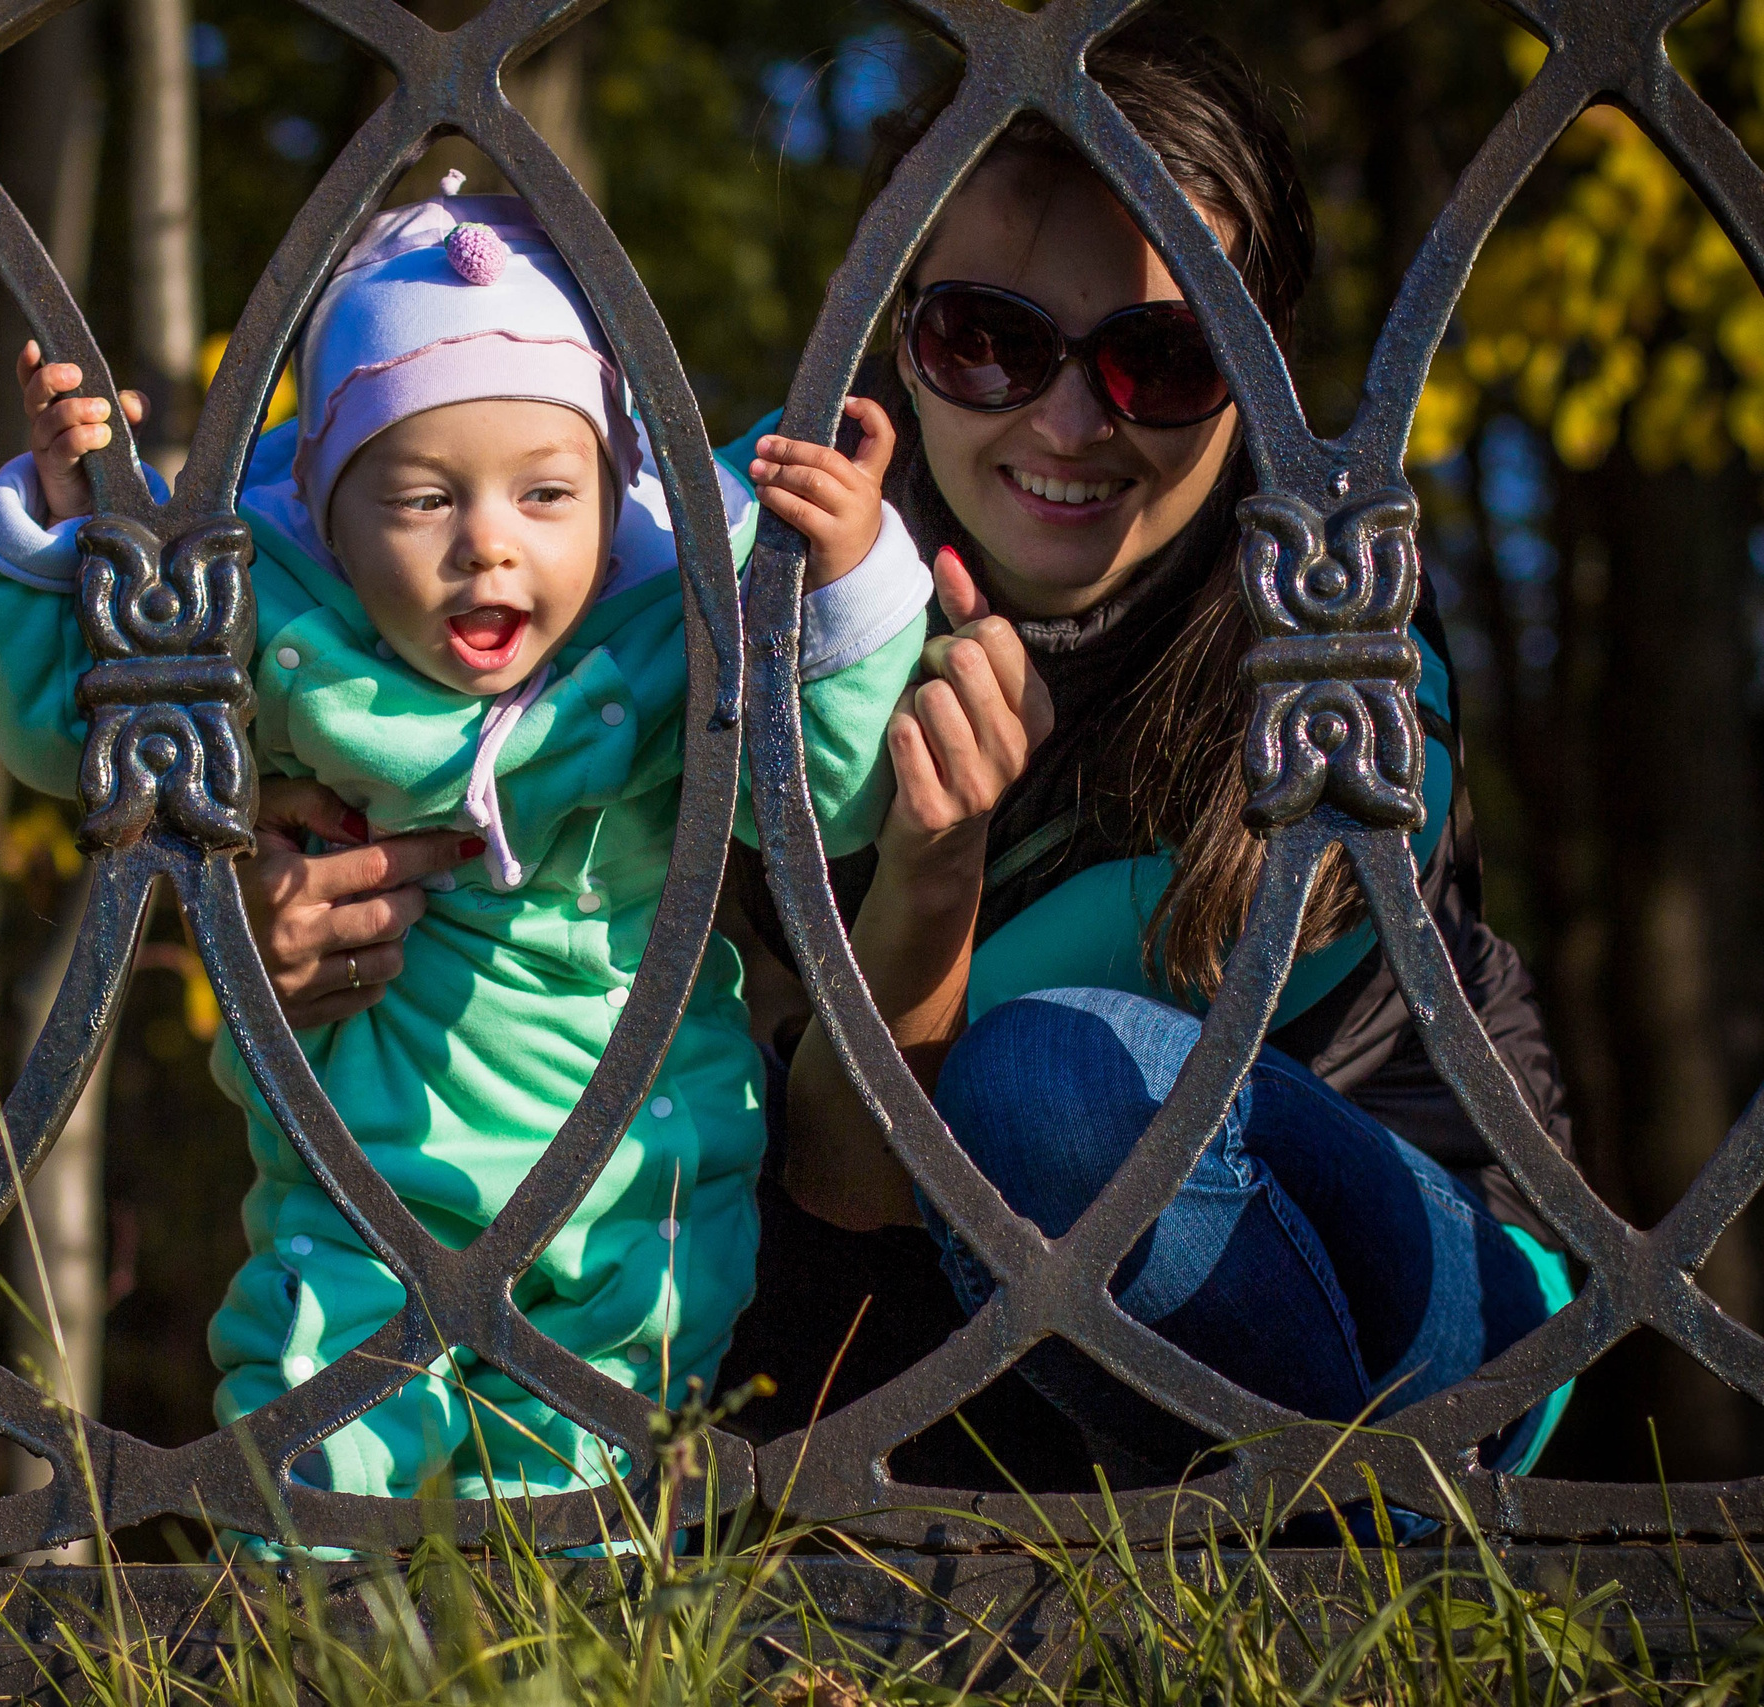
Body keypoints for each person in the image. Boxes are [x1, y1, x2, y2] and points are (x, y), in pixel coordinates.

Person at [249, 20, 1578, 1491]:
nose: (1067, 423)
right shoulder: (773, 565)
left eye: (1160, 357)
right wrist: (326, 886)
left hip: (1413, 1304)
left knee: (1041, 1090)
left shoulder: (1333, 625)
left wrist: (931, 877)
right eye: (989, 341)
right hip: (947, 1342)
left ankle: (1364, 1584)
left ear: (1257, 368)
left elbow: (866, 1172)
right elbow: (481, 731)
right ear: (897, 333)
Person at [0, 176, 931, 1511]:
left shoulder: (668, 640)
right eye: (423, 501)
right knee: (313, 1478)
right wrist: (68, 533)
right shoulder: (288, 642)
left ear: (614, 495)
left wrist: (846, 594)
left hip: (637, 1177)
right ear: (326, 511)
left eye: (547, 496)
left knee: (597, 1513)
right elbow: (76, 731)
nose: (491, 545)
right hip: (367, 1175)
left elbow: (818, 806)